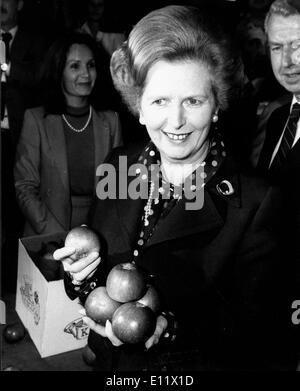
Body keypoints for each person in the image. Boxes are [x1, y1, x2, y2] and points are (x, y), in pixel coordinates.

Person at [54, 5, 294, 371]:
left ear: (216, 106)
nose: (177, 121)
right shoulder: (118, 167)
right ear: (140, 108)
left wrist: (171, 331)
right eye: (160, 101)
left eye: (194, 101)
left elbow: (259, 336)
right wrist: (81, 274)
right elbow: (93, 282)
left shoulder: (257, 201)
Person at [14, 32, 123, 237]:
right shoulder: (37, 120)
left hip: (97, 234)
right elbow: (24, 187)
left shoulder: (111, 121)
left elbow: (117, 190)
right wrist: (58, 236)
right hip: (47, 234)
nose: (86, 74)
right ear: (58, 71)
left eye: (90, 65)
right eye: (75, 66)